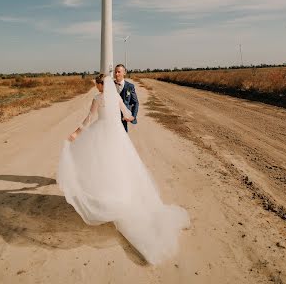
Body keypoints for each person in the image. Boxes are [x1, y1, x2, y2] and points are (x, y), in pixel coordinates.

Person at [57, 74, 189, 265]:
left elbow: (90, 117)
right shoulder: (114, 97)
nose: (96, 87)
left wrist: (77, 132)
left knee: (104, 166)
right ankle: (116, 197)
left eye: (97, 84)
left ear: (102, 85)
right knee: (119, 166)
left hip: (103, 133)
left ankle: (107, 201)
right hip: (117, 133)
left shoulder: (97, 99)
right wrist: (129, 116)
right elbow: (126, 113)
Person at [114, 63, 139, 131]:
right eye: (115, 72)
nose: (116, 74)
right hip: (112, 117)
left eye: (119, 72)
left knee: (123, 138)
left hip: (123, 119)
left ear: (124, 73)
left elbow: (135, 102)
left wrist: (133, 116)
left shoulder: (130, 86)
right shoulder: (111, 85)